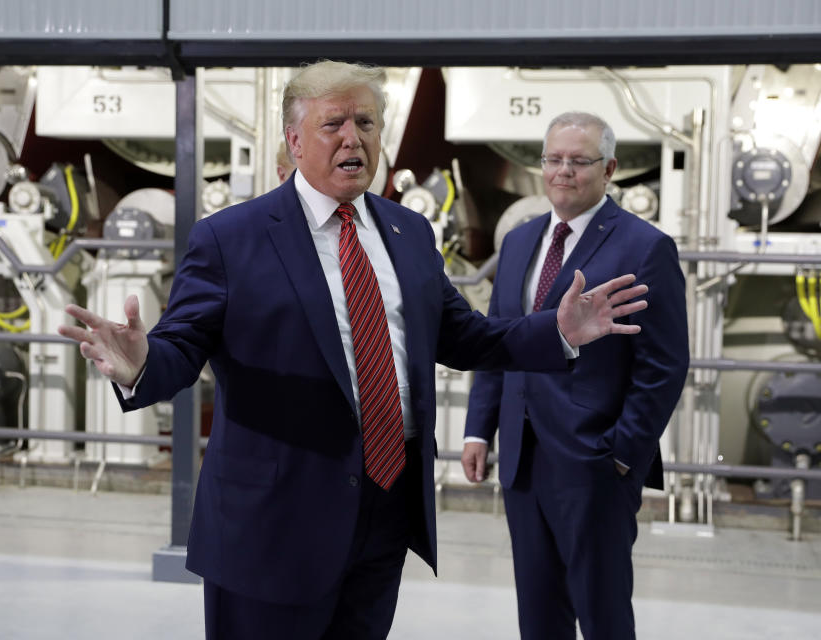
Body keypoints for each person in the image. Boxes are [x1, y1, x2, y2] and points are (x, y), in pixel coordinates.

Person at [60, 65, 648, 640]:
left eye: (365, 123)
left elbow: (465, 336)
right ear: (293, 141)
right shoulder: (230, 238)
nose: (353, 139)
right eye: (333, 124)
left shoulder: (407, 232)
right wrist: (141, 363)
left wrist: (559, 331)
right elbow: (183, 348)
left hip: (385, 508)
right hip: (275, 522)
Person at [462, 111, 689, 640]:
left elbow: (664, 363)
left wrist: (622, 453)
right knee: (538, 614)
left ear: (609, 169)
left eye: (579, 161)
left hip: (595, 464)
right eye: (553, 160)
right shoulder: (518, 244)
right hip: (522, 458)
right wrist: (480, 427)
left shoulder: (644, 247)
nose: (563, 172)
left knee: (603, 612)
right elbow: (500, 341)